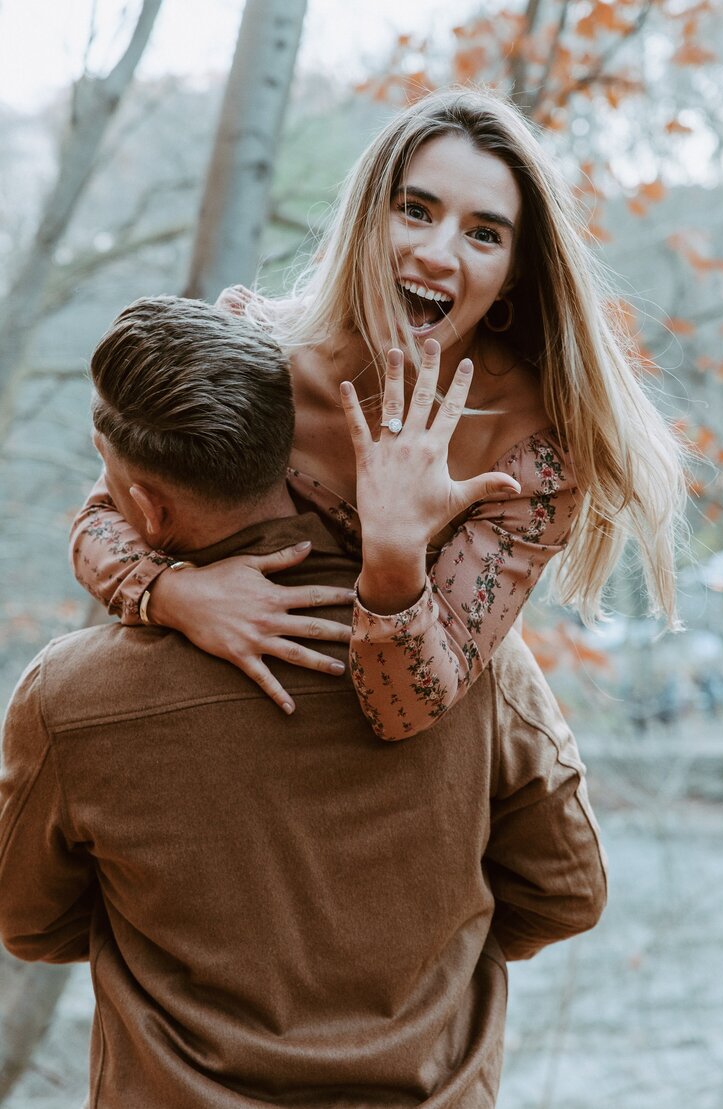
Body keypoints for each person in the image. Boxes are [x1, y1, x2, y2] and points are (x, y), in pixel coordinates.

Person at [0, 296, 607, 1107]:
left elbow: (27, 921)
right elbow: (567, 892)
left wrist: (173, 933)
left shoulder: (70, 700)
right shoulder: (467, 662)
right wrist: (421, 965)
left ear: (146, 508)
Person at [69, 88, 686, 738]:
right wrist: (174, 595)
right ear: (368, 216)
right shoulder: (256, 346)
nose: (438, 253)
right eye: (415, 211)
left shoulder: (534, 452)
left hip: (472, 748)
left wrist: (396, 550)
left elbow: (404, 710)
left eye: (482, 233)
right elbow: (100, 518)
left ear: (511, 273)